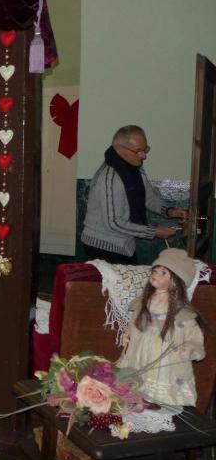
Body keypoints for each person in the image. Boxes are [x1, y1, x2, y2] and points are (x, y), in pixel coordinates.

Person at [81, 125, 187, 264]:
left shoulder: (135, 167)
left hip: (125, 244)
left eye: (145, 149)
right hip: (102, 246)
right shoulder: (110, 177)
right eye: (138, 151)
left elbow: (149, 197)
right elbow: (114, 223)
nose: (144, 156)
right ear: (119, 148)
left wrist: (170, 211)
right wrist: (155, 232)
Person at [117, 248, 205, 406]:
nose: (155, 275)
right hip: (143, 345)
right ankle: (139, 397)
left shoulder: (181, 311)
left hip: (166, 349)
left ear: (176, 280)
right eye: (155, 271)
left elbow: (194, 334)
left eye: (163, 273)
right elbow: (135, 320)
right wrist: (128, 334)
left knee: (161, 372)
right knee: (140, 369)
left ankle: (160, 399)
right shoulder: (145, 301)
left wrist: (191, 346)